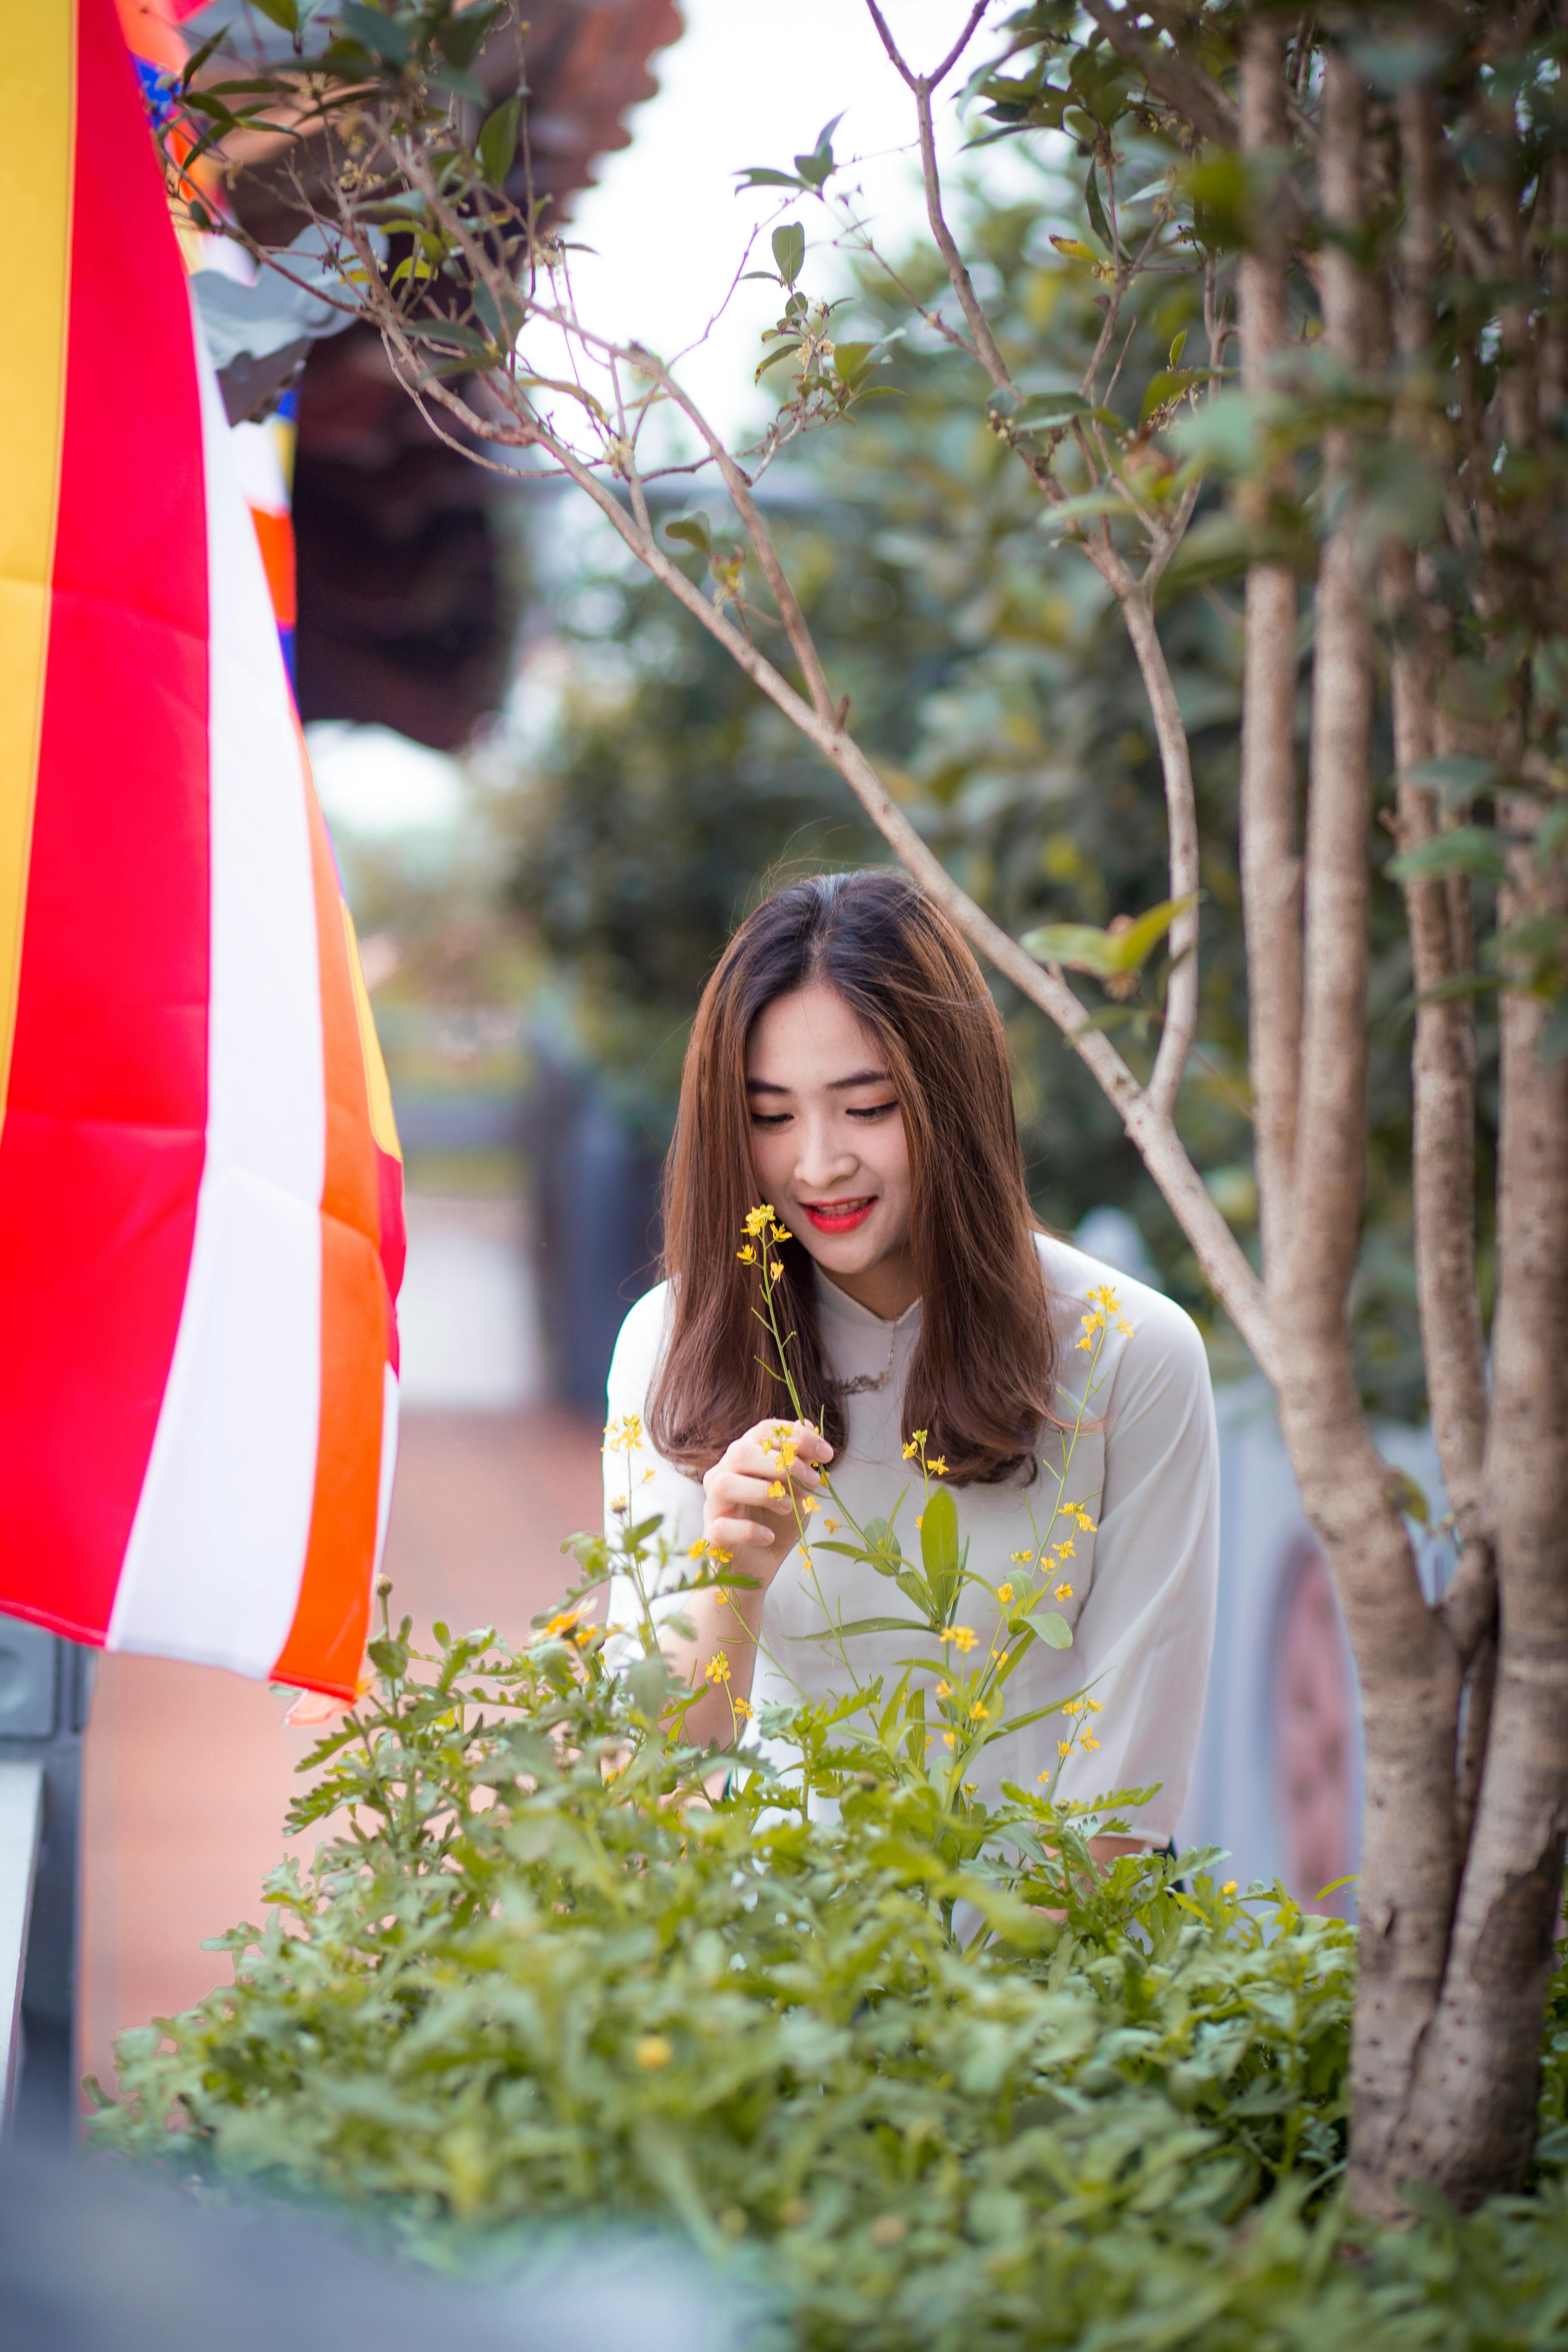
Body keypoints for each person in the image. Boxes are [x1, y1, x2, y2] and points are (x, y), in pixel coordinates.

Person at [603, 870, 1218, 1860]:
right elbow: (643, 1799)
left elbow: (1126, 1803)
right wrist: (732, 1581)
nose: (818, 1164)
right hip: (783, 1975)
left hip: (1047, 1975)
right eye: (771, 1117)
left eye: (868, 1107)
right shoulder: (676, 1344)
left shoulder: (1127, 1351)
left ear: (950, 1095)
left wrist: (994, 2006)